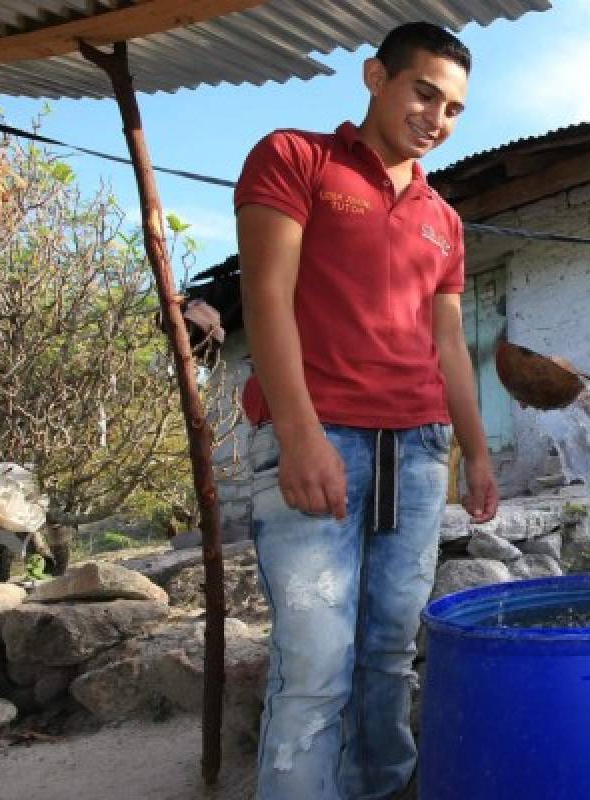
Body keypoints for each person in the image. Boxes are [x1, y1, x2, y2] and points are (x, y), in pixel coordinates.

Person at [234, 22, 497, 800]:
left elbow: (450, 344)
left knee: (388, 650)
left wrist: (475, 452)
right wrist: (299, 434)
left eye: (453, 108)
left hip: (417, 449)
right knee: (314, 664)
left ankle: (382, 790)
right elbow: (265, 297)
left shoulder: (442, 219)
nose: (436, 118)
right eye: (424, 92)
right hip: (321, 438)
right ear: (375, 77)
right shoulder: (294, 157)